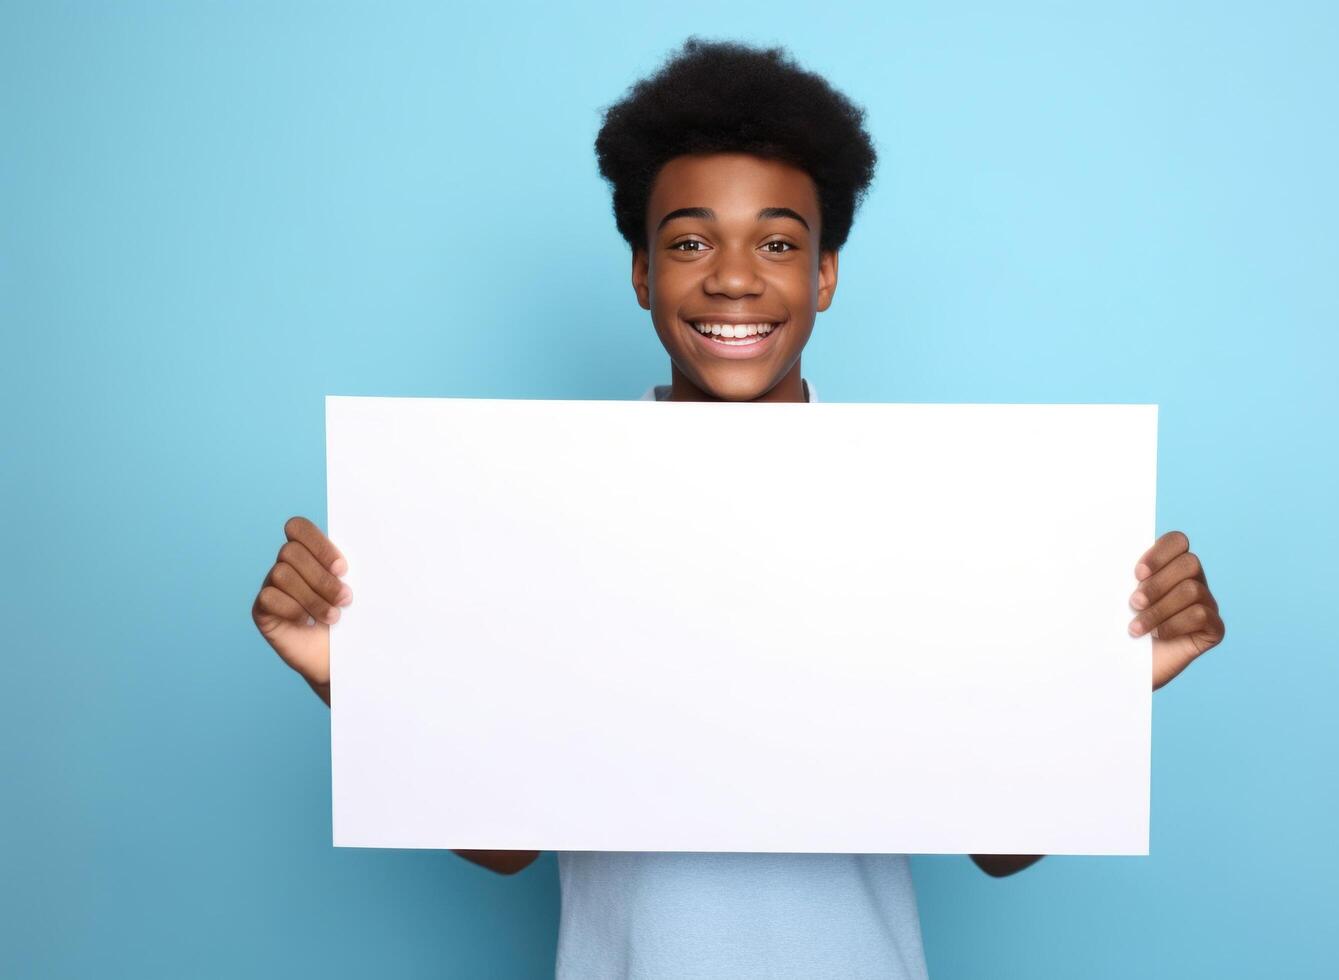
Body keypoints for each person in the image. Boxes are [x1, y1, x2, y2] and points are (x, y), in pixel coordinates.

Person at [250, 36, 1227, 979]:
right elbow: (507, 844)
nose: (731, 276)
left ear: (824, 276)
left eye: (776, 241)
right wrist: (352, 676)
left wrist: (1110, 679)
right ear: (640, 271)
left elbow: (999, 850)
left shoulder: (920, 511)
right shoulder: (551, 509)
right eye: (687, 240)